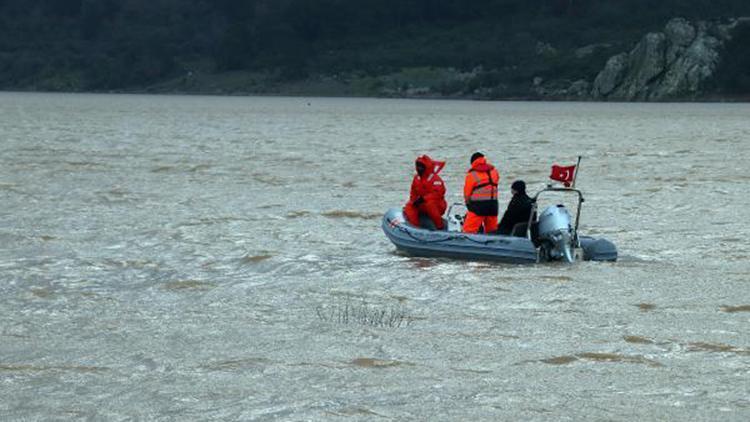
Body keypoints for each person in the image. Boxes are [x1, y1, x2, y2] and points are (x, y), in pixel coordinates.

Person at [403, 155, 447, 230]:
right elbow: (413, 192)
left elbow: (438, 193)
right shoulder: (417, 178)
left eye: (422, 166)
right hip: (422, 204)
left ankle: (440, 227)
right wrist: (414, 201)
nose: (419, 168)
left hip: (438, 205)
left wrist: (423, 199)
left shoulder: (435, 179)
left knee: (430, 204)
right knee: (409, 206)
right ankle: (414, 228)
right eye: (418, 166)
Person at [463, 152, 500, 234]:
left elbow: (467, 194)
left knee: (468, 232)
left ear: (473, 162)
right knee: (492, 231)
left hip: (478, 207)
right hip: (493, 206)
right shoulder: (494, 171)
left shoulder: (471, 175)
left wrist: (469, 205)